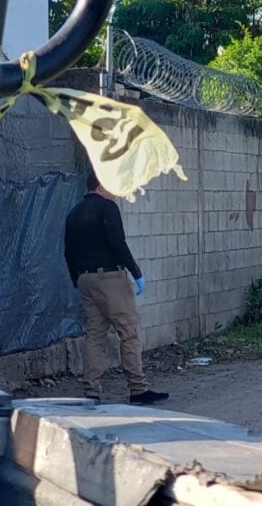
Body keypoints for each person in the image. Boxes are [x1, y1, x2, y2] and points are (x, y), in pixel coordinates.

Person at [64, 170, 169, 405]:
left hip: (85, 279)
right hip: (110, 277)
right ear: (100, 185)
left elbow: (68, 251)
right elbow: (117, 242)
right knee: (129, 331)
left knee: (95, 335)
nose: (116, 191)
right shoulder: (107, 208)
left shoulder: (73, 214)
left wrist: (77, 279)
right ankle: (138, 389)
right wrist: (136, 272)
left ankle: (91, 391)